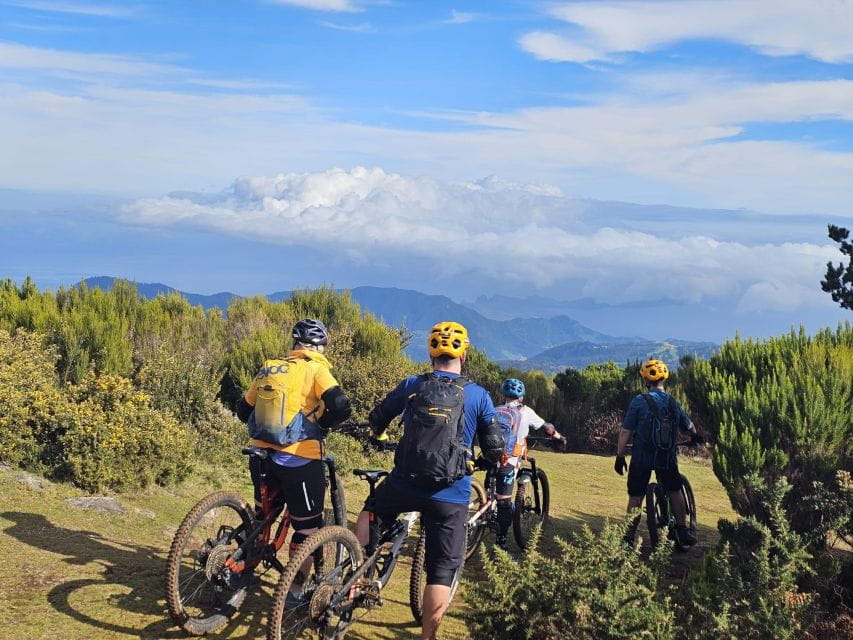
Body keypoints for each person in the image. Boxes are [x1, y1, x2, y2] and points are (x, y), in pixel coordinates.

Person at [356, 321, 504, 640]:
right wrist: (481, 462)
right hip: (451, 493)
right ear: (464, 354)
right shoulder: (478, 395)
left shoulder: (412, 384)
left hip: (404, 483)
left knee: (369, 513)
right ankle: (427, 637)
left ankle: (357, 578)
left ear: (430, 354)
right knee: (441, 571)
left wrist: (380, 436)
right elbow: (494, 448)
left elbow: (378, 417)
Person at [235, 318, 352, 581]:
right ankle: (295, 592)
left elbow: (243, 410)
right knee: (307, 528)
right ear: (319, 347)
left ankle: (236, 566)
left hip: (260, 455)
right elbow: (341, 406)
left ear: (294, 344)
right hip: (299, 457)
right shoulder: (316, 369)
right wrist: (322, 423)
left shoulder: (270, 368)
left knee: (261, 514)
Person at [614, 359, 703, 546]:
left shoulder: (639, 401)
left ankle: (628, 538)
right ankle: (682, 530)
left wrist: (620, 456)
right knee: (675, 490)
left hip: (641, 457)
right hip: (666, 457)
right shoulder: (672, 402)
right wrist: (695, 437)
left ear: (646, 381)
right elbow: (689, 427)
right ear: (664, 380)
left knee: (636, 497)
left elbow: (625, 432)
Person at [492, 378, 561, 549]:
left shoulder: (495, 410)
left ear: (503, 395)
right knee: (504, 502)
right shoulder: (526, 411)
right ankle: (501, 541)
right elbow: (547, 428)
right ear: (521, 397)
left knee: (492, 490)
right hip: (510, 459)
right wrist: (559, 437)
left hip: (491, 458)